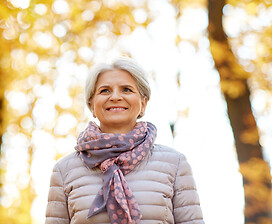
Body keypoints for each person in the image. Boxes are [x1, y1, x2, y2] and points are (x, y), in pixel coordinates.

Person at [45, 57, 204, 224]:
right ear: (92, 105)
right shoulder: (64, 171)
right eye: (104, 90)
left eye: (126, 90)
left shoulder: (175, 164)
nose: (115, 97)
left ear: (143, 104)